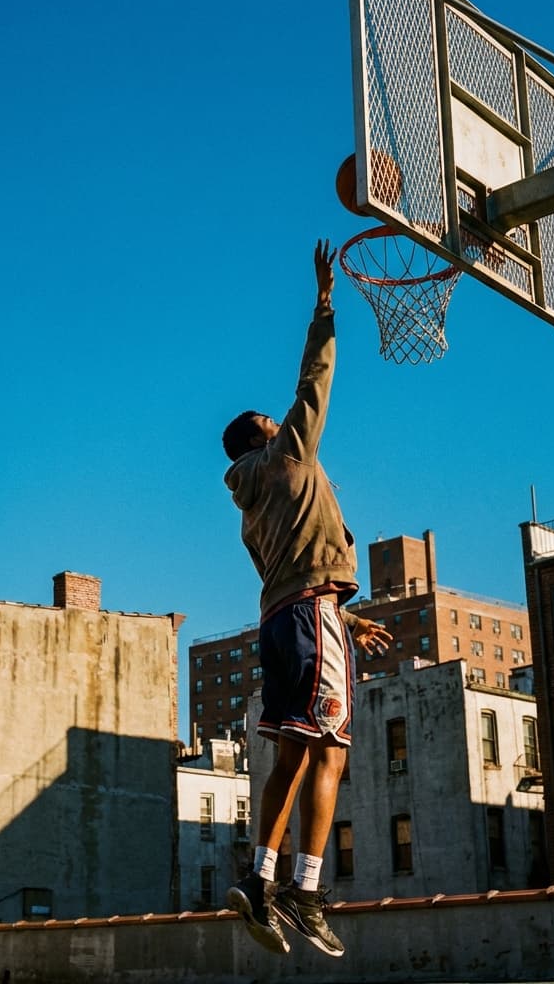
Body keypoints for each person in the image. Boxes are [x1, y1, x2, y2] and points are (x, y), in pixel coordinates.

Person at [221, 239, 392, 958]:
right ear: (262, 436)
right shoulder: (288, 452)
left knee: (295, 753)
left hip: (287, 619)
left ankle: (262, 878)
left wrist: (342, 617)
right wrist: (325, 301)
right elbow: (315, 376)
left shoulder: (250, 508)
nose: (279, 416)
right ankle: (307, 887)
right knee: (330, 756)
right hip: (310, 616)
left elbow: (293, 574)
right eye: (270, 417)